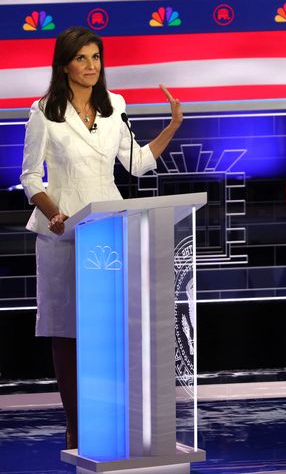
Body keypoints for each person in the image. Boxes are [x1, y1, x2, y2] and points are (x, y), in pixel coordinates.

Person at [19, 26, 183, 449]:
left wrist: (172, 126)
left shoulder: (115, 107)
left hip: (109, 230)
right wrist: (53, 213)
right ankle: (76, 424)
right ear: (64, 65)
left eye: (96, 58)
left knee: (110, 330)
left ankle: (112, 419)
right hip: (63, 233)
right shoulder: (44, 112)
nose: (91, 66)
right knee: (68, 331)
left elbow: (137, 163)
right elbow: (30, 177)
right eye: (81, 58)